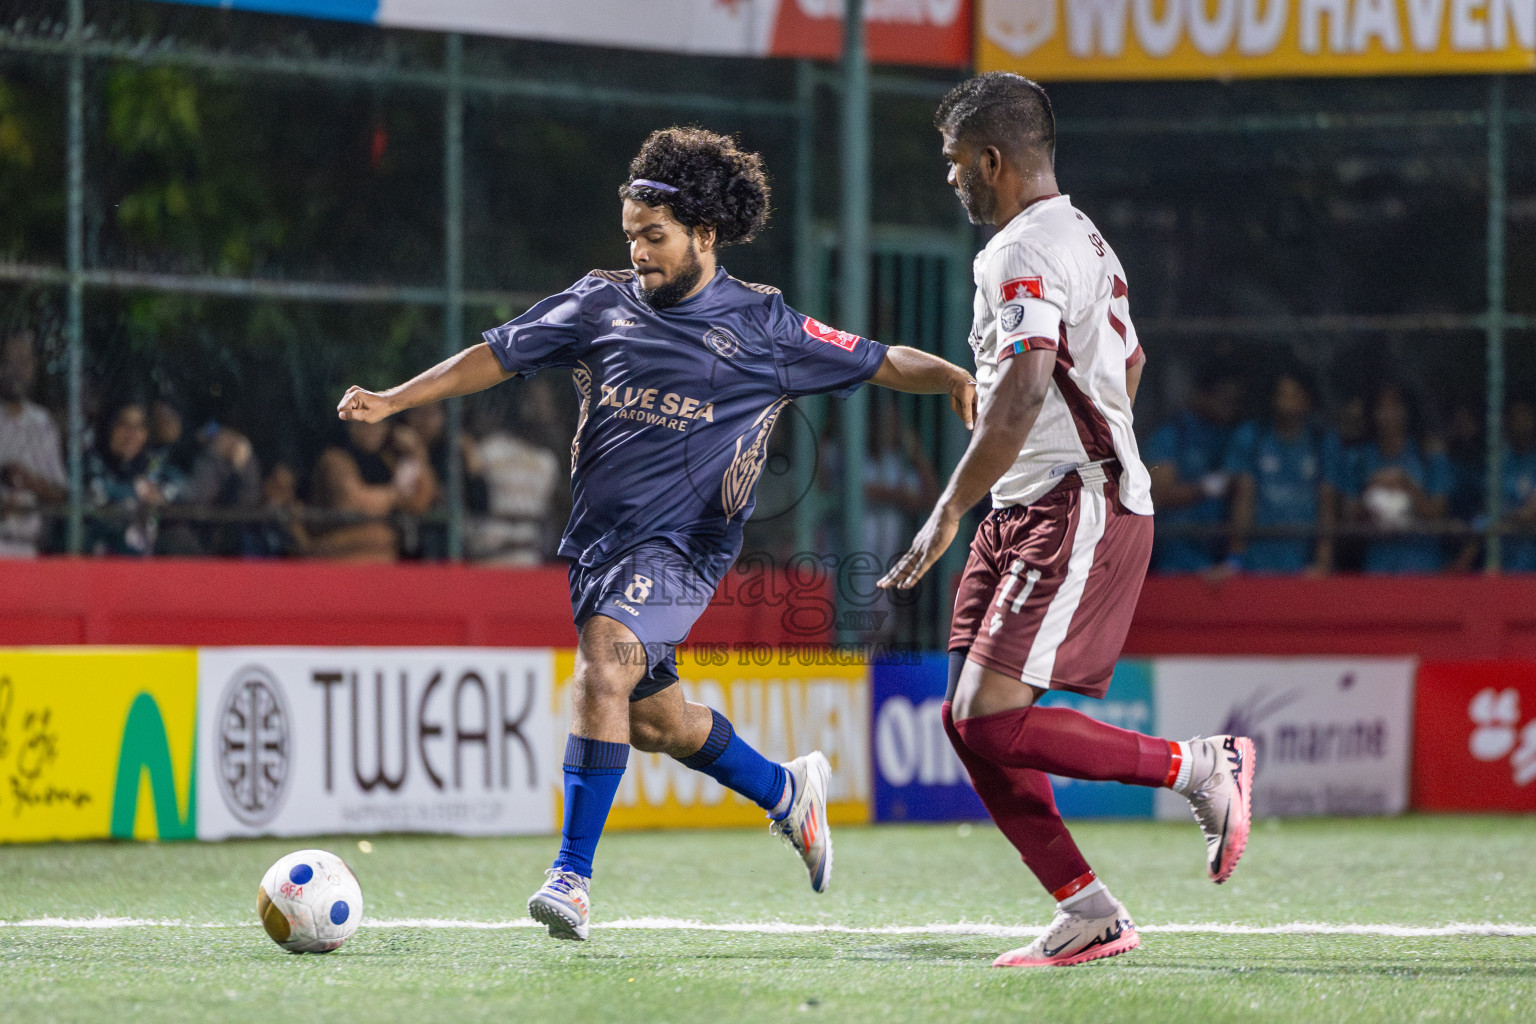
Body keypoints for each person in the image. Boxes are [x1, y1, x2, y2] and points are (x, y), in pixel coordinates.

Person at [336, 127, 977, 942]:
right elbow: (494, 356)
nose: (638, 251)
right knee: (653, 720)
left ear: (705, 235)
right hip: (600, 545)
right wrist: (395, 399)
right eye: (632, 235)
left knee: (603, 666)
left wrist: (953, 375)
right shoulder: (598, 301)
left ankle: (570, 877)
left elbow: (880, 359)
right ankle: (787, 791)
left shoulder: (765, 326)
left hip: (684, 548)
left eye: (655, 236)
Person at [879, 72, 1255, 969]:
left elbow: (1025, 387)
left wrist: (945, 512)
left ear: (992, 159)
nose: (950, 178)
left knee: (994, 720)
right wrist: (1059, 441)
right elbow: (1127, 365)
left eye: (953, 162)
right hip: (1035, 498)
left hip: (1070, 503)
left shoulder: (1025, 247)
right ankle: (1088, 912)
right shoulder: (1084, 237)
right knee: (968, 722)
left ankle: (1200, 766)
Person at [1221, 369, 1341, 575]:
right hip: (1256, 564)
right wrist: (1235, 561)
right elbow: (1243, 497)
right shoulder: (1253, 436)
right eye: (1282, 395)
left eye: (1295, 395)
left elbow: (1327, 502)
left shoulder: (1322, 442)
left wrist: (1322, 563)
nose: (1287, 403)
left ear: (1307, 400)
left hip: (1304, 566)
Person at [1142, 361, 1243, 573]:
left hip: (1218, 555)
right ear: (1201, 395)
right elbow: (1159, 494)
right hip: (1174, 558)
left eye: (1234, 401)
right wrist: (1203, 489)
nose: (1229, 406)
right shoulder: (1172, 434)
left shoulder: (1234, 437)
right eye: (1224, 398)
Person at [1343, 383, 1449, 573]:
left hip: (1422, 566)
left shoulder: (1429, 455)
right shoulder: (1360, 459)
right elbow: (1348, 517)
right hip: (1378, 566)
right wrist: (1372, 489)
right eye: (1382, 407)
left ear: (1407, 411)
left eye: (1395, 406)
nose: (1388, 413)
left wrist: (1406, 485)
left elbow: (1438, 514)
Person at [309, 419, 436, 561]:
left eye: (378, 423)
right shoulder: (335, 455)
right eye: (365, 423)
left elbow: (420, 502)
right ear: (351, 425)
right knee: (378, 537)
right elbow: (354, 502)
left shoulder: (387, 459)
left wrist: (417, 452)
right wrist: (393, 496)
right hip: (337, 549)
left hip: (383, 553)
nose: (372, 429)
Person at [84, 400, 185, 556]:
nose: (131, 434)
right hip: (100, 555)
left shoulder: (151, 461)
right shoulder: (94, 458)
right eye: (123, 425)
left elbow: (181, 486)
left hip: (148, 560)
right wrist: (135, 491)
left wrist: (162, 495)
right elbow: (95, 491)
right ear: (110, 428)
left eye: (139, 427)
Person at [0, 329, 66, 557]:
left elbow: (62, 494)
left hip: (29, 548)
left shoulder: (43, 424)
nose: (18, 371)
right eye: (11, 363)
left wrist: (32, 483)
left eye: (24, 363)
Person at [1497, 398, 1536, 572]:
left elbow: (1529, 515)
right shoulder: (1500, 460)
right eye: (1514, 416)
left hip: (1529, 558)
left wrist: (1506, 517)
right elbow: (1490, 509)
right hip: (1501, 554)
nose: (1520, 422)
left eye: (1524, 415)